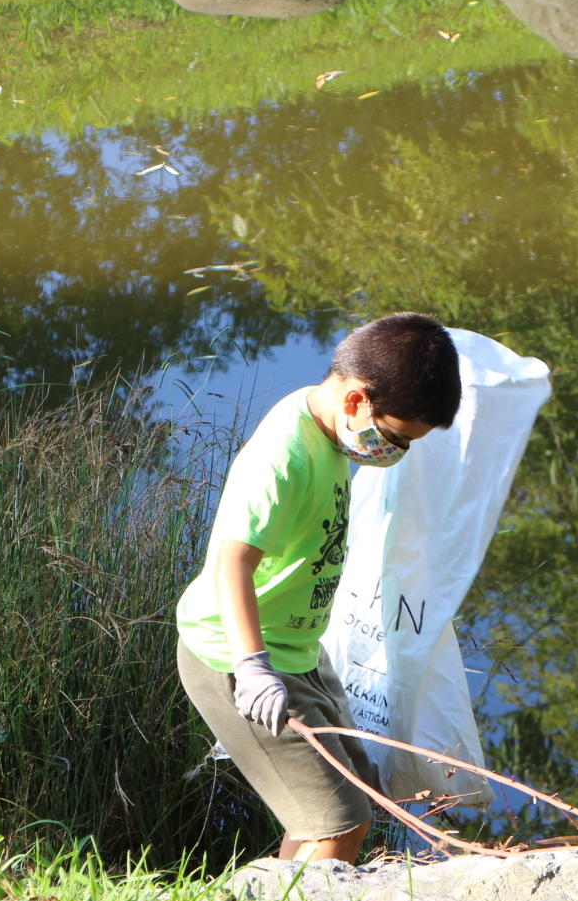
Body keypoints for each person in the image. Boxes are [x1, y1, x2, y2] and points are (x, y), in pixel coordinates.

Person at [175, 313, 461, 865]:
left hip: (300, 653)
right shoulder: (284, 456)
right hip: (236, 657)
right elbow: (230, 561)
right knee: (340, 824)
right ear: (356, 401)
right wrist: (252, 667)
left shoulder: (328, 426)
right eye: (398, 438)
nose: (397, 452)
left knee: (348, 797)